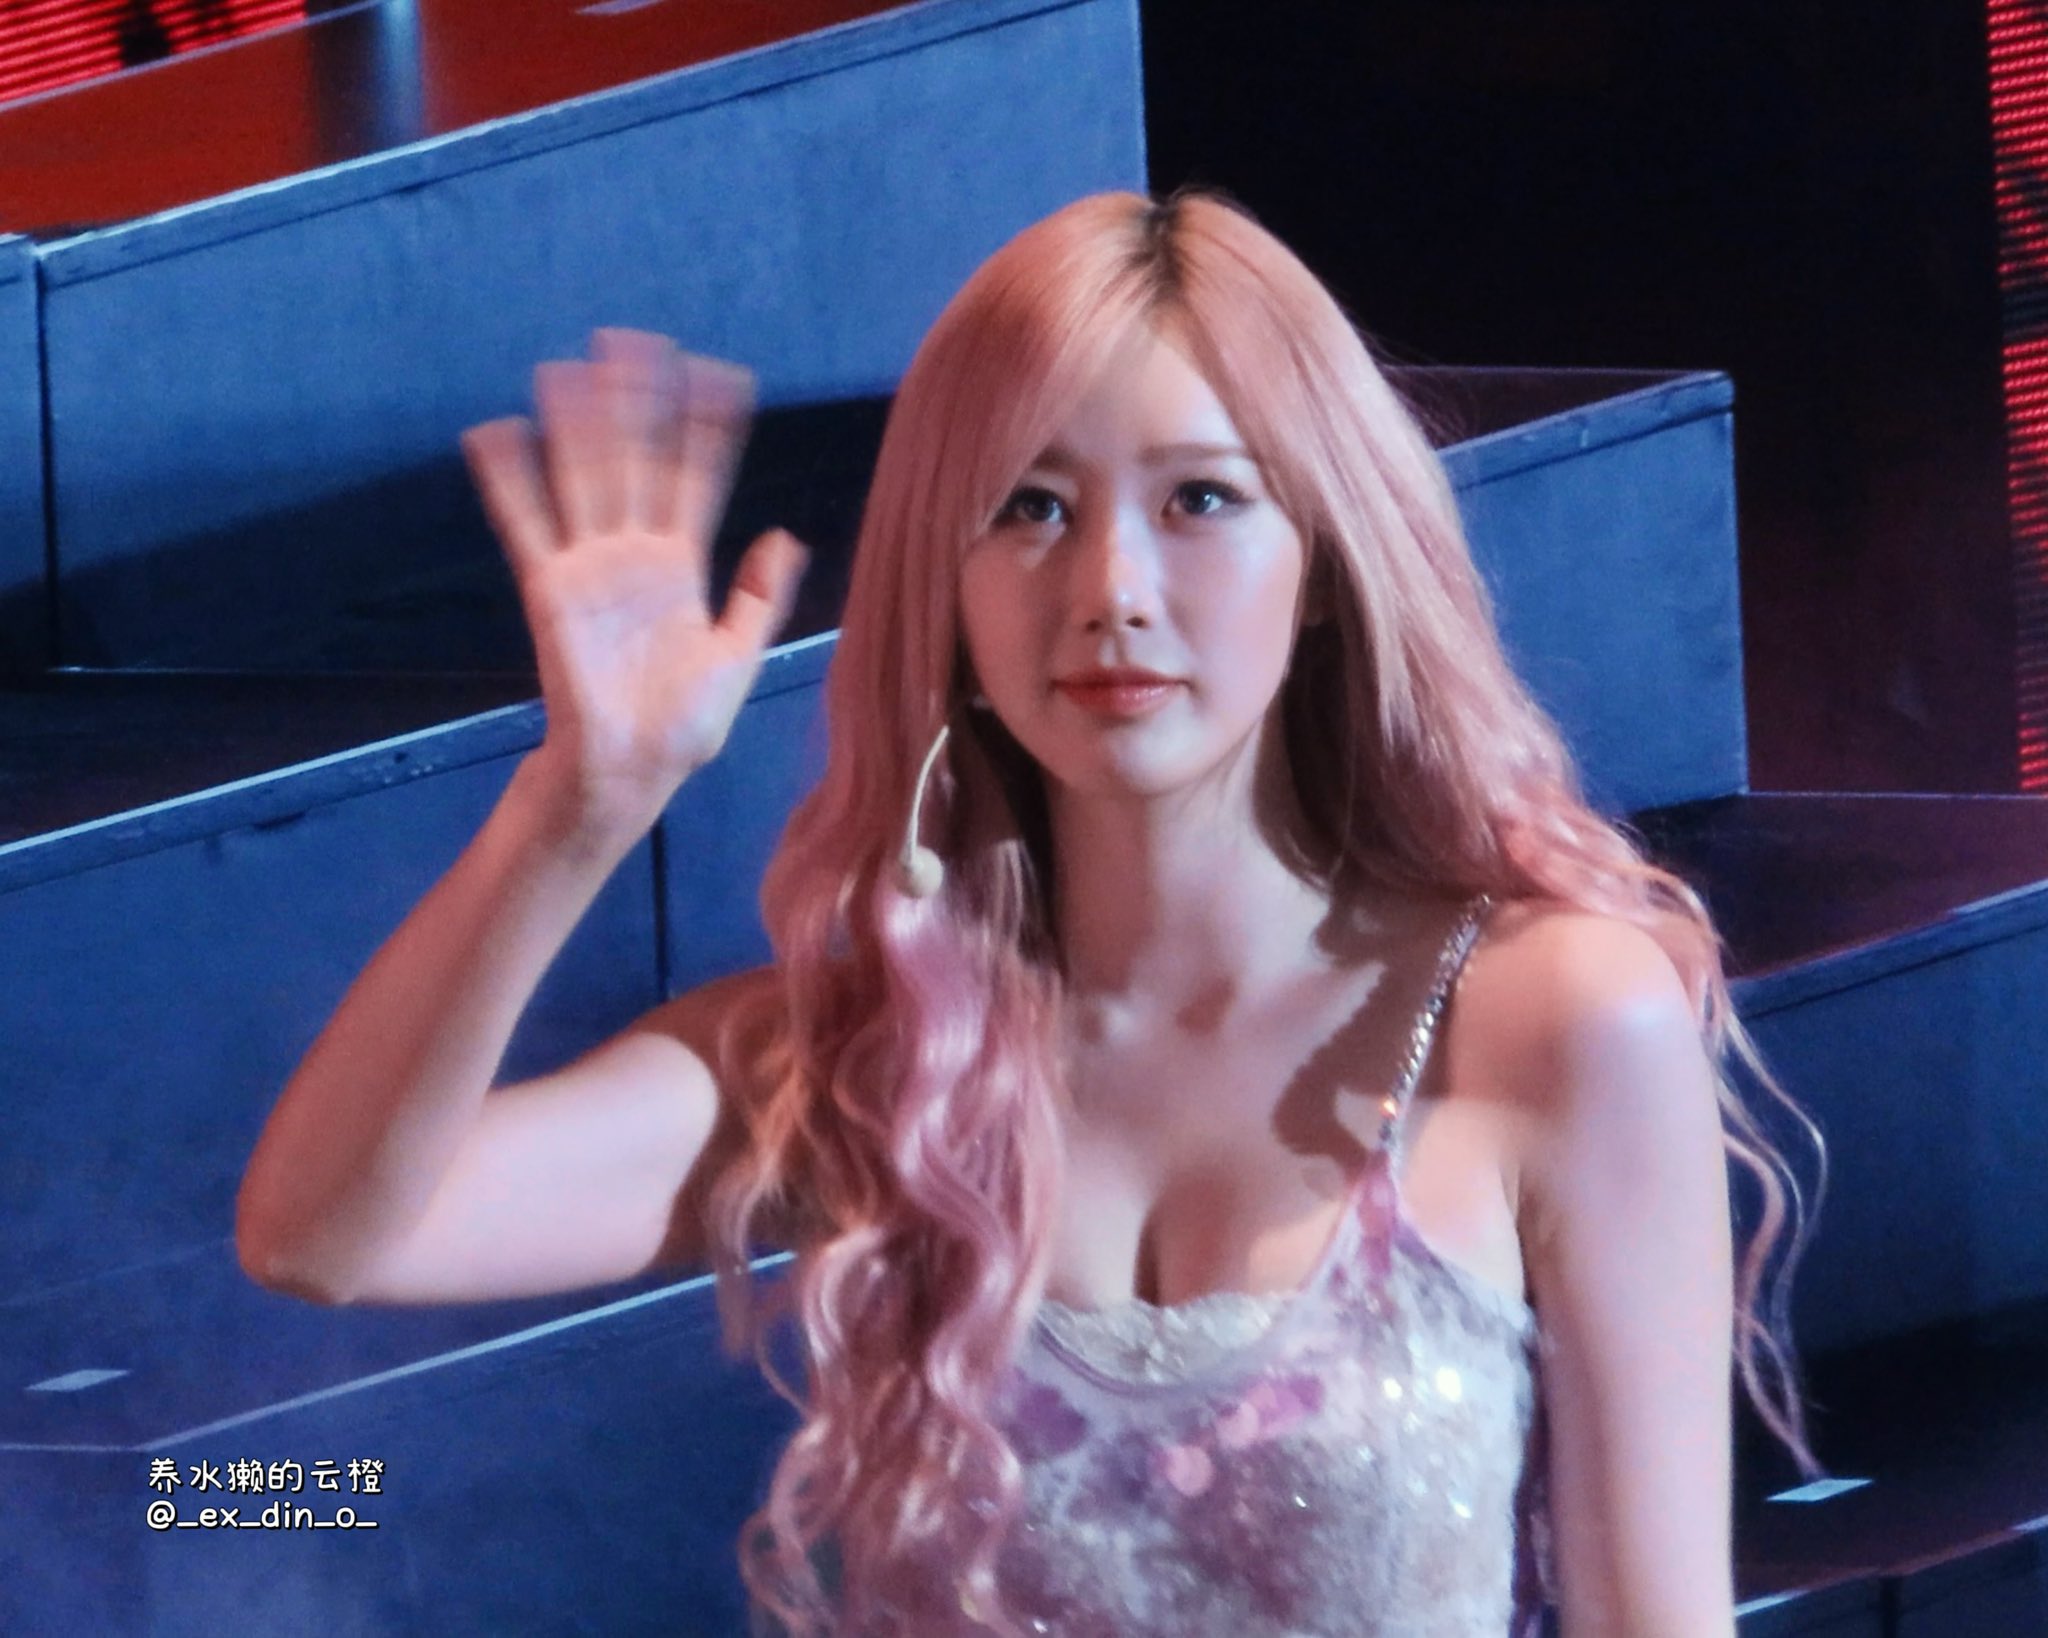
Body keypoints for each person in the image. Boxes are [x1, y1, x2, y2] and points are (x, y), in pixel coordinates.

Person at [236, 189, 1819, 1637]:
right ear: (949, 582)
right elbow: (322, 1234)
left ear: (1327, 566)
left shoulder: (1552, 1018)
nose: (1110, 586)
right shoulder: (860, 1058)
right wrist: (578, 805)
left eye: (1201, 499)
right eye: (1032, 507)